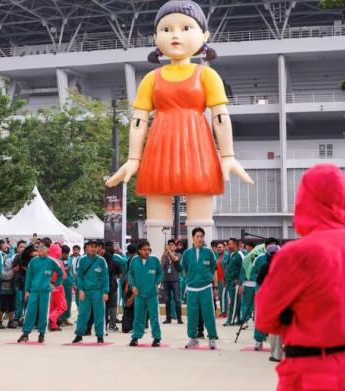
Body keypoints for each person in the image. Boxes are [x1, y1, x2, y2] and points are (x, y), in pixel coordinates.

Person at [105, 0, 253, 261]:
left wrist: (228, 156)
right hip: (159, 147)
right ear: (155, 37)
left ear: (204, 36)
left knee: (200, 214)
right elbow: (138, 120)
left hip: (198, 147)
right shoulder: (151, 78)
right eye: (166, 29)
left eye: (186, 27)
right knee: (156, 217)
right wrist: (132, 158)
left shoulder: (207, 76)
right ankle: (155, 268)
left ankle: (201, 266)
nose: (175, 35)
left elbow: (220, 117)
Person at [256, 164, 345, 391]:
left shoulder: (298, 253)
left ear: (305, 198)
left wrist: (293, 321)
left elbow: (265, 317)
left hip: (313, 374)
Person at [18, 240, 63, 343]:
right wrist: (27, 291)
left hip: (45, 292)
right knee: (30, 312)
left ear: (48, 249)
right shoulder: (33, 261)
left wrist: (54, 285)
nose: (40, 249)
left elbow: (61, 274)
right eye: (39, 247)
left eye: (43, 247)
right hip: (34, 291)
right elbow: (28, 277)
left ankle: (42, 334)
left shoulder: (52, 261)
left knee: (43, 312)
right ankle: (25, 333)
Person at [181, 228, 218, 349]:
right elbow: (184, 269)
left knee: (208, 313)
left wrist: (210, 281)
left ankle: (212, 338)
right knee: (192, 314)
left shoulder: (209, 252)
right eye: (197, 236)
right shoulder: (187, 253)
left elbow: (213, 267)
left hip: (205, 287)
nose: (200, 238)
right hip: (191, 288)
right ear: (193, 238)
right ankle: (193, 338)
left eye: (201, 236)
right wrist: (189, 279)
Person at [72, 240, 109, 344]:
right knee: (83, 314)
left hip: (98, 291)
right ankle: (79, 335)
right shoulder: (82, 260)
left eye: (95, 247)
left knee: (99, 313)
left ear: (98, 248)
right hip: (85, 291)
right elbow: (79, 276)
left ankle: (100, 336)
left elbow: (105, 277)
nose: (93, 248)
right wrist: (81, 290)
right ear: (87, 247)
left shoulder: (102, 261)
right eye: (91, 246)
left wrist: (105, 292)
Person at [128, 240, 163, 347]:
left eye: (148, 249)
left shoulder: (155, 260)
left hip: (152, 294)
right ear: (139, 251)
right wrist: (133, 286)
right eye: (144, 250)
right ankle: (135, 337)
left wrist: (156, 284)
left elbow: (160, 274)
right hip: (139, 295)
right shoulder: (134, 261)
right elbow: (131, 275)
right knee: (138, 316)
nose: (147, 252)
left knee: (154, 317)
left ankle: (157, 338)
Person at [252, 238, 280, 351]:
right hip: (262, 291)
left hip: (278, 293)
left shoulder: (283, 258)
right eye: (269, 246)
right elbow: (253, 273)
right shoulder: (259, 259)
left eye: (274, 246)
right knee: (260, 316)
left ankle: (279, 343)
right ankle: (259, 340)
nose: (272, 249)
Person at [161, 239, 182, 324]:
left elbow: (176, 259)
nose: (170, 246)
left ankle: (179, 319)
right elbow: (161, 265)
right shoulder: (165, 255)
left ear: (175, 247)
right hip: (165, 280)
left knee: (177, 299)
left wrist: (169, 252)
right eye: (169, 245)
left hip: (175, 280)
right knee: (167, 300)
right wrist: (164, 254)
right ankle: (168, 318)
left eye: (172, 245)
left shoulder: (178, 254)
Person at [48, 243, 67, 332]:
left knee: (52, 306)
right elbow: (63, 276)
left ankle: (53, 325)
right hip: (57, 285)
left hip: (48, 286)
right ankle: (52, 318)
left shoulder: (47, 260)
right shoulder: (58, 262)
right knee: (63, 306)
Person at [224, 238, 243, 326]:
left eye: (229, 244)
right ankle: (239, 319)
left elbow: (243, 269)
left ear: (235, 245)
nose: (228, 245)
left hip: (235, 282)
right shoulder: (230, 254)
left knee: (234, 302)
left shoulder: (239, 255)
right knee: (235, 301)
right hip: (229, 281)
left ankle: (230, 320)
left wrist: (240, 281)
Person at [0, 245, 17, 329]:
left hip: (12, 288)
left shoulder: (11, 262)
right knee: (2, 306)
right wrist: (13, 271)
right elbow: (3, 276)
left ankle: (11, 321)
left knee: (12, 306)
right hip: (2, 289)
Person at [121, 244, 138, 334]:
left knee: (128, 307)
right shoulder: (137, 259)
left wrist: (126, 286)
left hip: (132, 286)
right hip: (136, 286)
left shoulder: (130, 260)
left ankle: (127, 326)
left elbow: (128, 274)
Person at [58, 245, 74, 327]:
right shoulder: (57, 260)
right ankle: (60, 319)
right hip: (61, 284)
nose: (66, 255)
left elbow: (71, 270)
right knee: (61, 302)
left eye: (67, 254)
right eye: (65, 254)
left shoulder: (70, 259)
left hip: (68, 283)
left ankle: (66, 318)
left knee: (68, 302)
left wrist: (73, 283)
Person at [214, 242, 227, 316]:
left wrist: (225, 279)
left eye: (220, 247)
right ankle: (223, 311)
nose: (219, 248)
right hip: (218, 279)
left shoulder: (226, 255)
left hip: (224, 279)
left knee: (224, 296)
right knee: (221, 295)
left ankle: (224, 312)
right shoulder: (217, 256)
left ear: (224, 247)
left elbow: (227, 268)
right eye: (218, 247)